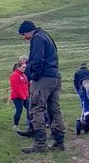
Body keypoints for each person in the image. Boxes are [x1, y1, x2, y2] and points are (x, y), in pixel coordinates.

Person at [18, 20, 64, 153]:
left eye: (23, 35)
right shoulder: (46, 36)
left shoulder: (37, 38)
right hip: (54, 76)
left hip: (43, 78)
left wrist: (34, 76)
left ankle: (40, 143)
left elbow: (37, 60)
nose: (24, 38)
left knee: (36, 108)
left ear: (28, 31)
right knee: (54, 109)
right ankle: (58, 141)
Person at [10, 60, 29, 132]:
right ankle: (15, 125)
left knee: (29, 109)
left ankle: (31, 124)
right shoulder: (14, 75)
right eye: (23, 67)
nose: (24, 69)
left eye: (25, 67)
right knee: (19, 110)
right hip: (17, 97)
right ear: (18, 67)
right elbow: (16, 87)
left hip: (25, 95)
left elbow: (26, 85)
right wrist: (23, 96)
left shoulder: (23, 75)